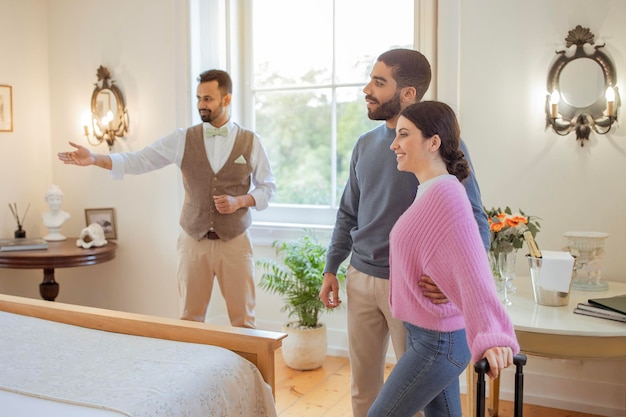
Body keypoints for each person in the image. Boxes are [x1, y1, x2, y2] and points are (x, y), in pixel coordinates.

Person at [319, 49, 490, 417]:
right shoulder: (365, 145)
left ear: (408, 93)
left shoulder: (440, 149)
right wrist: (332, 266)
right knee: (363, 390)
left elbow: (475, 219)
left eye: (379, 83)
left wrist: (457, 283)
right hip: (361, 278)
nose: (368, 89)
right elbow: (349, 211)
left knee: (421, 397)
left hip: (413, 288)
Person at [58, 69, 276, 328]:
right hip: (192, 241)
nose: (201, 105)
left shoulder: (251, 141)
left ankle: (250, 370)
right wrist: (95, 159)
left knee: (244, 322)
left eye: (208, 99)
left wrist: (240, 201)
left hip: (236, 243)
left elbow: (268, 187)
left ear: (226, 100)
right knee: (189, 320)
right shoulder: (183, 138)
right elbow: (139, 160)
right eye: (198, 99)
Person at [367, 101, 519, 417]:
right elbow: (442, 257)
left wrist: (492, 336)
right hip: (429, 335)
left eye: (404, 135)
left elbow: (474, 268)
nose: (394, 144)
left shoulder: (447, 197)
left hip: (438, 343)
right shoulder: (430, 190)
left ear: (433, 142)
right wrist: (445, 282)